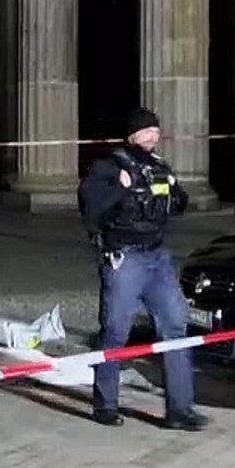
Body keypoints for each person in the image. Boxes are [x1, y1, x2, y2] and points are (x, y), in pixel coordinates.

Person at [77, 107, 207, 431]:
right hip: (125, 259)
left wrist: (173, 189)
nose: (153, 136)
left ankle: (180, 410)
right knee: (115, 332)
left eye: (156, 131)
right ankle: (105, 405)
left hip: (157, 259)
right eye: (146, 131)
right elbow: (90, 210)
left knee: (176, 327)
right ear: (131, 135)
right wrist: (119, 187)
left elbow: (178, 204)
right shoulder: (108, 167)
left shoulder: (159, 167)